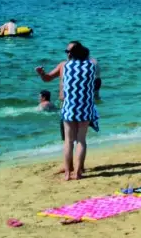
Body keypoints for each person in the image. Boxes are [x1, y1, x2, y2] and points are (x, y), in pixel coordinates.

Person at [36, 41, 99, 181]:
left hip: (69, 106)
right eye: (66, 51)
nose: (67, 53)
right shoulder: (89, 65)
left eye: (69, 51)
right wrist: (42, 74)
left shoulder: (65, 66)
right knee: (80, 140)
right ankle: (75, 170)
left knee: (69, 141)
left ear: (73, 53)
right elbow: (47, 78)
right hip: (84, 105)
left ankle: (70, 172)